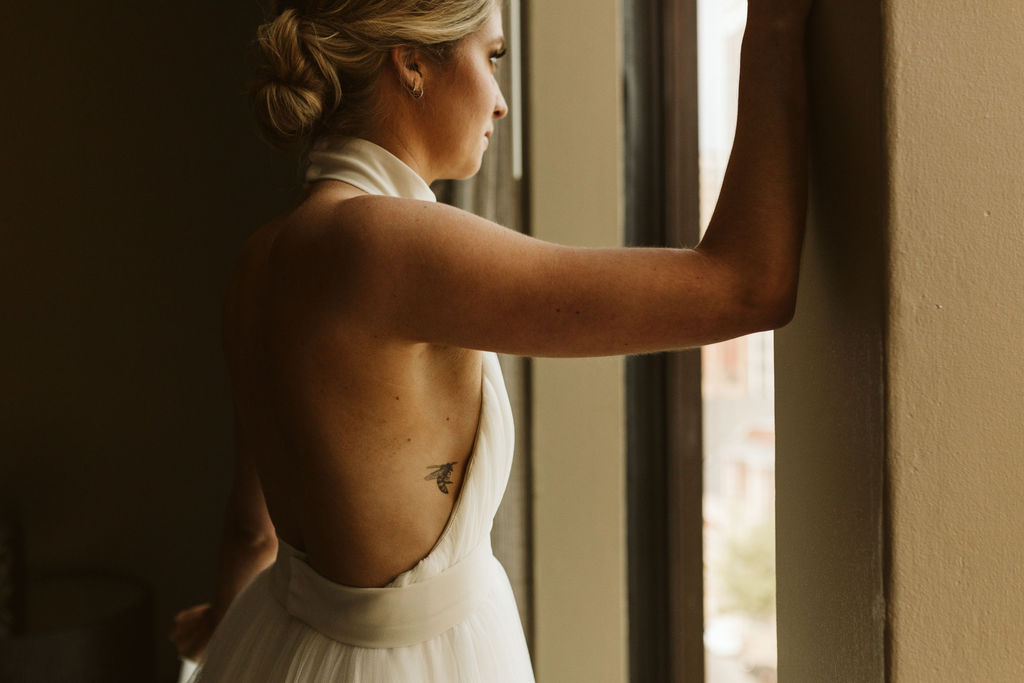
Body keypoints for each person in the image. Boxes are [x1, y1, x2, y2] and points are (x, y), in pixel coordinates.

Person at [169, 0, 813, 679]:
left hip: (280, 640)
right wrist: (773, 26)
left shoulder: (257, 260)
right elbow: (749, 285)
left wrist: (223, 626)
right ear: (413, 61)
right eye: (493, 56)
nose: (501, 103)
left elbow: (253, 529)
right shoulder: (385, 246)